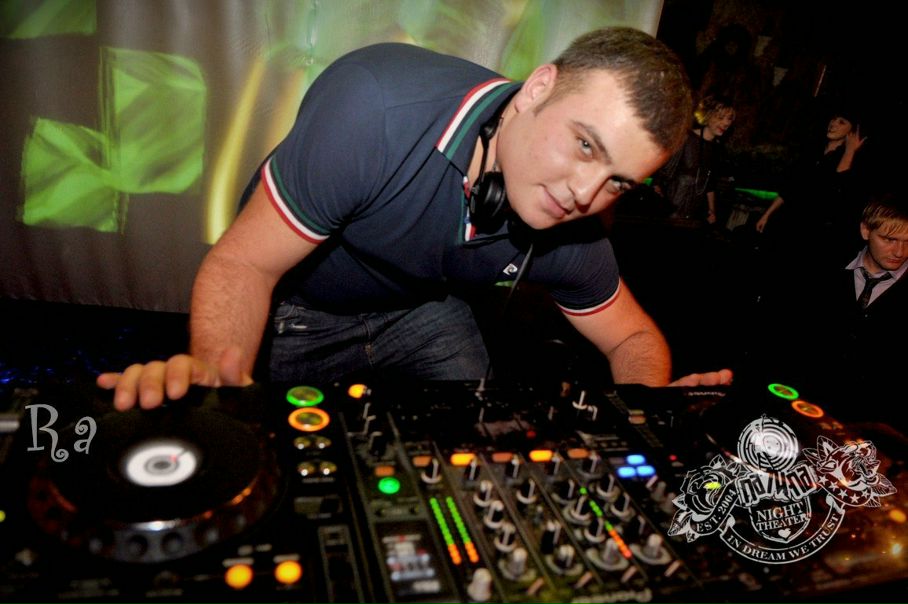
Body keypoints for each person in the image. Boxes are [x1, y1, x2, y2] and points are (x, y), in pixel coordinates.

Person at [97, 27, 733, 410]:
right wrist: (216, 376)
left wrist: (647, 413)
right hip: (303, 311)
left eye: (618, 180)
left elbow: (633, 339)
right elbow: (245, 263)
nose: (585, 194)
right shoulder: (375, 110)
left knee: (477, 445)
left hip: (422, 311)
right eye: (586, 145)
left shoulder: (575, 227)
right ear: (538, 88)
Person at [762, 193, 908, 427]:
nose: (900, 252)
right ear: (865, 230)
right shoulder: (821, 270)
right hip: (798, 411)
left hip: (870, 427)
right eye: (889, 239)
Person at [754, 107, 868, 267]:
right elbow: (789, 187)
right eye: (833, 119)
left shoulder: (849, 160)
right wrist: (767, 214)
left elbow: (836, 188)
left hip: (811, 228)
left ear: (852, 131)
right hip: (786, 220)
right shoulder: (812, 151)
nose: (833, 124)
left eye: (841, 122)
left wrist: (849, 151)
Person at [651, 94, 736, 225]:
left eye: (729, 119)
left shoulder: (717, 148)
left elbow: (709, 183)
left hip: (695, 213)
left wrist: (711, 210)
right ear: (708, 116)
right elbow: (663, 172)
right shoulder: (686, 138)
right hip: (671, 209)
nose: (726, 123)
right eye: (720, 117)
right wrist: (659, 197)